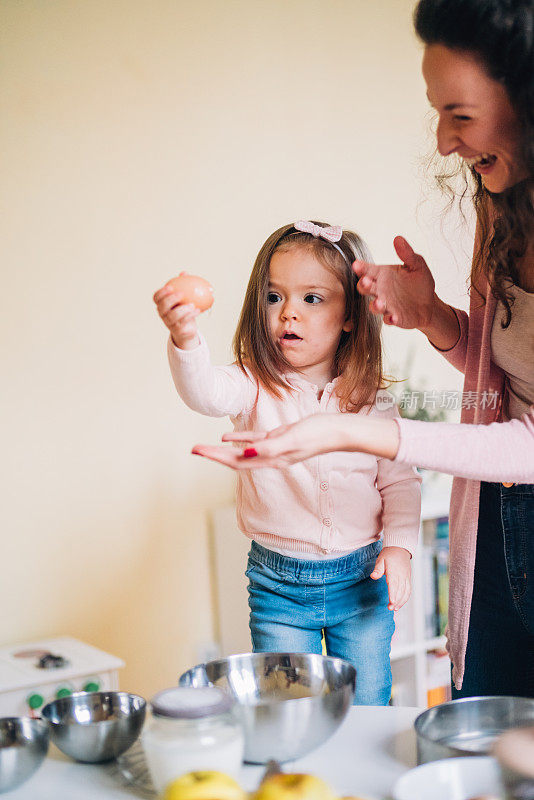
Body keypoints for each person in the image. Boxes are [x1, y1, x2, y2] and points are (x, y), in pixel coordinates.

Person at [192, 0, 534, 700]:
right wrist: (437, 317)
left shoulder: (366, 401)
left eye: (460, 115)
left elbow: (490, 452)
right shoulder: (503, 204)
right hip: (495, 517)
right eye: (436, 111)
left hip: (374, 570)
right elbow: (496, 378)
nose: (443, 141)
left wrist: (359, 442)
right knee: (486, 717)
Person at [153, 220, 421, 705]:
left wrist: (400, 548)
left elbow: (400, 484)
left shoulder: (371, 399)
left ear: (351, 317)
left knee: (368, 701)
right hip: (278, 588)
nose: (288, 314)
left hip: (360, 584)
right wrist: (186, 339)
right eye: (275, 297)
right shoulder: (254, 383)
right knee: (289, 706)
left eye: (311, 299)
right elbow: (205, 393)